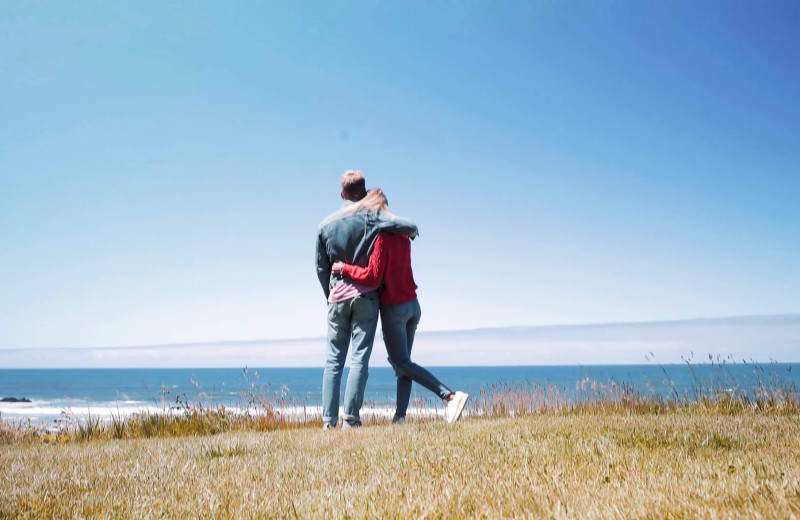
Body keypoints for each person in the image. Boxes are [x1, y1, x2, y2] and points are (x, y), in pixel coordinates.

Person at [332, 189, 469, 424]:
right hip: (413, 306)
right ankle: (400, 417)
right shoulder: (404, 236)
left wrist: (344, 269)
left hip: (394, 308)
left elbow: (373, 277)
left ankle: (450, 396)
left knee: (401, 363)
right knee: (403, 364)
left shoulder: (382, 238)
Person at [315, 171, 419, 429]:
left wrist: (330, 293)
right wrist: (414, 230)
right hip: (366, 297)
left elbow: (320, 268)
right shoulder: (374, 218)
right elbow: (407, 225)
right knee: (359, 358)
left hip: (337, 296)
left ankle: (328, 422)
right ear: (364, 191)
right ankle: (351, 419)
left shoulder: (325, 224)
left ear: (342, 194)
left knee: (333, 359)